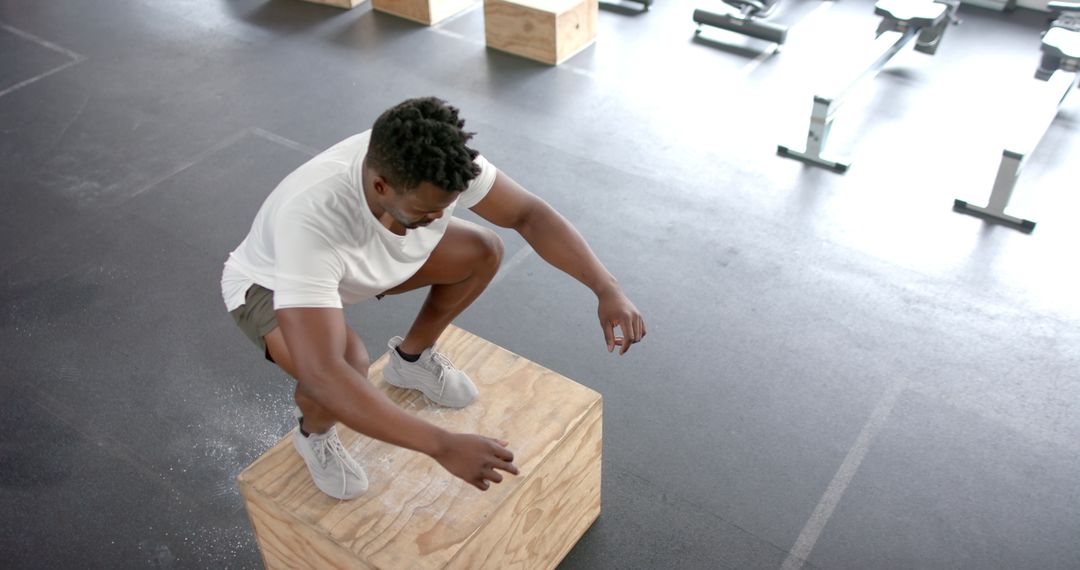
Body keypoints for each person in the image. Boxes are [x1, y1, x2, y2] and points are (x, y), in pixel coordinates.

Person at [221, 96, 646, 500]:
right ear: (381, 186)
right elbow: (323, 372)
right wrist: (441, 444)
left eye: (448, 206)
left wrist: (606, 287)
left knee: (482, 250)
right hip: (273, 285)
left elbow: (528, 215)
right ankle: (312, 436)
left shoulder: (441, 162)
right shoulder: (311, 220)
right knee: (346, 365)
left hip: (364, 260)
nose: (439, 218)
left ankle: (411, 361)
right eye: (427, 211)